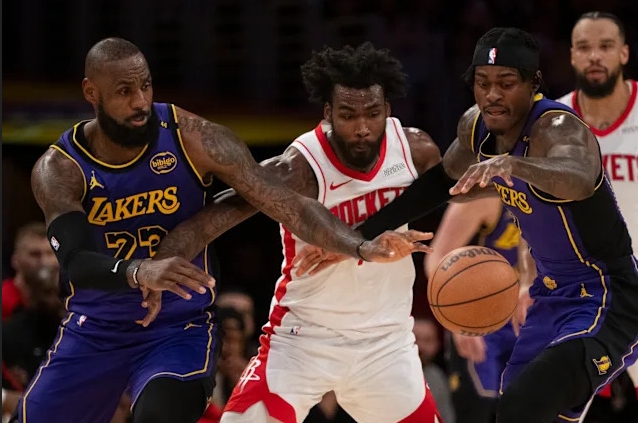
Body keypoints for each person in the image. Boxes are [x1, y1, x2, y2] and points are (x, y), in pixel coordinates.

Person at [18, 37, 429, 423]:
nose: (140, 101)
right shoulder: (60, 169)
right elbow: (75, 264)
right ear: (91, 92)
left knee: (159, 416)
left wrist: (359, 246)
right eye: (124, 91)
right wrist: (142, 271)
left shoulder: (195, 138)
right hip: (95, 327)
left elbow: (290, 206)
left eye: (145, 86)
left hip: (176, 325)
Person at [295, 28, 638, 423]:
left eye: (506, 83)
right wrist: (355, 239)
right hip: (550, 296)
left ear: (533, 84)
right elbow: (437, 185)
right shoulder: (477, 128)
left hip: (607, 296)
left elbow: (579, 178)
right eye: (482, 82)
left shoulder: (558, 127)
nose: (492, 95)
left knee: (525, 402)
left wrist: (515, 165)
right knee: (522, 411)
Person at [150, 42, 444, 422]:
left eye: (372, 114)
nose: (361, 128)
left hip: (385, 343)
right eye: (348, 115)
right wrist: (158, 262)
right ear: (328, 113)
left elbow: (454, 183)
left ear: (387, 110)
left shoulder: (415, 150)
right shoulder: (300, 167)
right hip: (304, 338)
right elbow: (216, 215)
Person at [556, 12, 638, 406]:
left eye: (605, 46)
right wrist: (525, 279)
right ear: (572, 55)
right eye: (584, 47)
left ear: (624, 53)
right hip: (580, 293)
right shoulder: (551, 122)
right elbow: (532, 214)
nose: (595, 56)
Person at [424, 198, 535, 423]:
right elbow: (437, 258)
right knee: (477, 411)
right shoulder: (485, 195)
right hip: (481, 322)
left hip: (529, 321)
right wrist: (459, 319)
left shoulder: (554, 194)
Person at [2, 222, 59, 320]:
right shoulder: (4, 301)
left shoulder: (65, 301)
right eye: (35, 254)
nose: (44, 262)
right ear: (15, 260)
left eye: (50, 253)